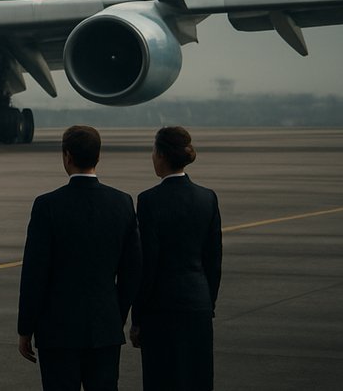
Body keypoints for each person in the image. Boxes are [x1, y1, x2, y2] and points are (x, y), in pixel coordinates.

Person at [17, 125, 141, 391]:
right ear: (98, 156)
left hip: (57, 331)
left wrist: (25, 328)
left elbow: (34, 274)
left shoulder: (47, 205)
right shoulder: (122, 202)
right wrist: (114, 315)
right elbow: (132, 271)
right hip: (105, 328)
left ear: (67, 156)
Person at [130, 126, 222, 391]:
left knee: (162, 379)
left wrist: (137, 317)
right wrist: (208, 301)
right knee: (198, 379)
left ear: (160, 154)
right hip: (198, 304)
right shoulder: (207, 198)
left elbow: (148, 264)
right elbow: (214, 260)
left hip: (161, 308)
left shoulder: (149, 200)